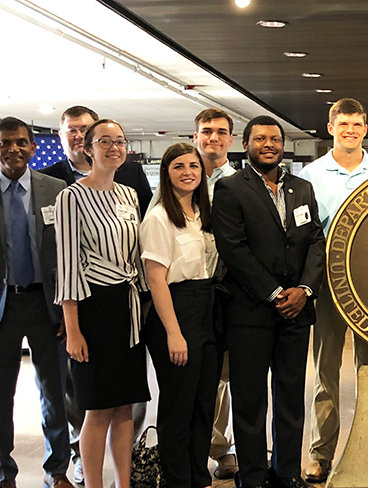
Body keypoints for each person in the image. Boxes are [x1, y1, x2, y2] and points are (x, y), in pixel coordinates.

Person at [213, 116, 326, 488]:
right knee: (249, 400)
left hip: (297, 311)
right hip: (251, 311)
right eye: (260, 139)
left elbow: (314, 242)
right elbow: (234, 248)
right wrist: (275, 293)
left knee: (291, 396)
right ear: (245, 144)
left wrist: (305, 290)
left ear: (283, 145)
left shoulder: (302, 188)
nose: (268, 144)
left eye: (275, 139)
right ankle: (253, 476)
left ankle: (286, 472)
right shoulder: (231, 189)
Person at [0, 117, 73, 488]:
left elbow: (65, 253)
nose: (14, 149)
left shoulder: (56, 189)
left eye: (22, 142)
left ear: (33, 147)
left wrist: (67, 309)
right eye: (6, 143)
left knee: (54, 393)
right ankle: (2, 474)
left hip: (46, 303)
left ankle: (56, 470)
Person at [45, 105, 151, 484]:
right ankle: (93, 483)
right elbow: (68, 266)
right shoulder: (71, 197)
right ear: (88, 148)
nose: (114, 148)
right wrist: (73, 329)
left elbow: (136, 256)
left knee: (125, 407)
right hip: (94, 308)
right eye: (104, 141)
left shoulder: (128, 195)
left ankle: (123, 482)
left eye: (119, 142)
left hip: (128, 307)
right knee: (97, 408)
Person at [298, 98, 368, 483]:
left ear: (366, 128)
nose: (351, 130)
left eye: (358, 125)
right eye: (344, 124)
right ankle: (320, 454)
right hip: (329, 287)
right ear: (330, 127)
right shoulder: (311, 176)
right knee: (325, 372)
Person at [140, 143, 222, 488]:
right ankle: (176, 480)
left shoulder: (206, 213)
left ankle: (197, 476)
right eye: (178, 166)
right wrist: (174, 333)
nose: (187, 171)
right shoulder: (159, 217)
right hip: (175, 311)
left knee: (205, 404)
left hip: (207, 308)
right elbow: (155, 279)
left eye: (193, 165)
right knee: (178, 406)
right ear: (166, 173)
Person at [190, 108, 241, 479]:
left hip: (230, 291)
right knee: (192, 372)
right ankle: (193, 448)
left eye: (221, 132)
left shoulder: (241, 182)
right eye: (206, 131)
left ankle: (221, 448)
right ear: (196, 136)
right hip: (190, 292)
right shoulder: (181, 179)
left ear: (231, 139)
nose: (214, 138)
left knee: (224, 375)